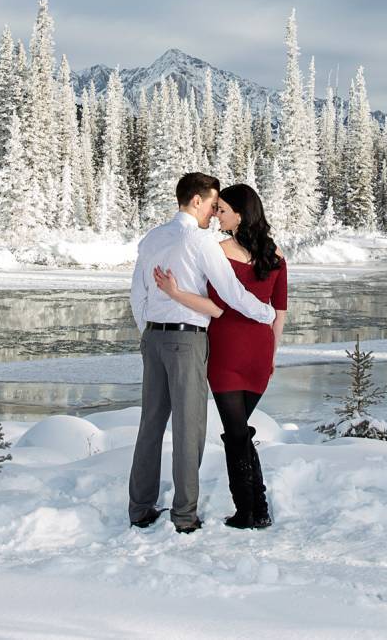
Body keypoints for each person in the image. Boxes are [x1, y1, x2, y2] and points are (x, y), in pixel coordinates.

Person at [127, 172, 276, 533]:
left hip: (153, 339)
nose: (214, 213)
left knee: (150, 425)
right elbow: (230, 292)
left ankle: (140, 509)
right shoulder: (201, 241)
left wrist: (146, 333)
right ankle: (184, 516)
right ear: (197, 201)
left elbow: (137, 294)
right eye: (212, 204)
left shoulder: (152, 238)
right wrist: (266, 312)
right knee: (189, 427)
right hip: (187, 340)